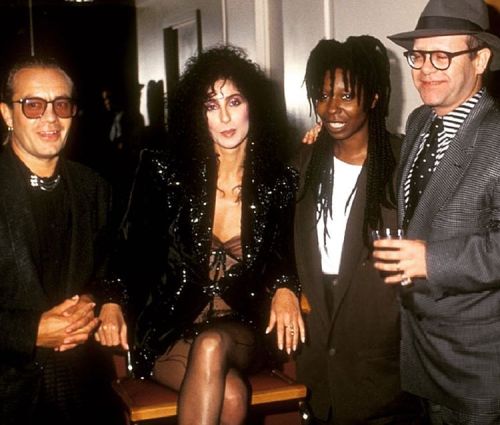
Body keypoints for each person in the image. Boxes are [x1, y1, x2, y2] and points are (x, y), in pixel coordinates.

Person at [115, 45, 304, 425]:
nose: (224, 116)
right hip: (172, 328)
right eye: (211, 105)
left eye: (234, 101)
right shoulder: (164, 172)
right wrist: (111, 297)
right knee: (231, 392)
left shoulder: (279, 181)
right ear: (195, 114)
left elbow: (289, 250)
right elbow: (129, 245)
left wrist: (285, 286)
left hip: (241, 329)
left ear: (253, 104)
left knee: (213, 343)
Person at [372, 0, 500, 423]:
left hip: (478, 363)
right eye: (419, 56)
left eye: (442, 56)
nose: (425, 69)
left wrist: (431, 260)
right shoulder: (419, 122)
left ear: (480, 58)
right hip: (422, 353)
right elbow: (409, 200)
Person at [293, 36, 423, 424]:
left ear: (374, 99)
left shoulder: (405, 166)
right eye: (323, 94)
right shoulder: (302, 164)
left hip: (385, 375)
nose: (332, 108)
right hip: (317, 367)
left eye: (346, 95)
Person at [0, 56, 128, 425]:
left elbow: (112, 268)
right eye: (34, 105)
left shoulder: (94, 188)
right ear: (7, 114)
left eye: (61, 105)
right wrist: (30, 332)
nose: (50, 118)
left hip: (84, 391)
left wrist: (99, 301)